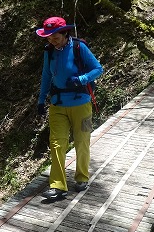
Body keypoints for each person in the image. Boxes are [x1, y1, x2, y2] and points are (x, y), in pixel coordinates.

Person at [35, 16, 103, 201]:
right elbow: (46, 76)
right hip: (57, 105)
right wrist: (41, 100)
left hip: (82, 104)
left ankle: (82, 177)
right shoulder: (49, 51)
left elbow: (98, 69)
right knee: (57, 144)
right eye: (49, 37)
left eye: (55, 37)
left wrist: (81, 80)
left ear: (65, 33)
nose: (52, 40)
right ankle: (58, 186)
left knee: (82, 141)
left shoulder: (79, 47)